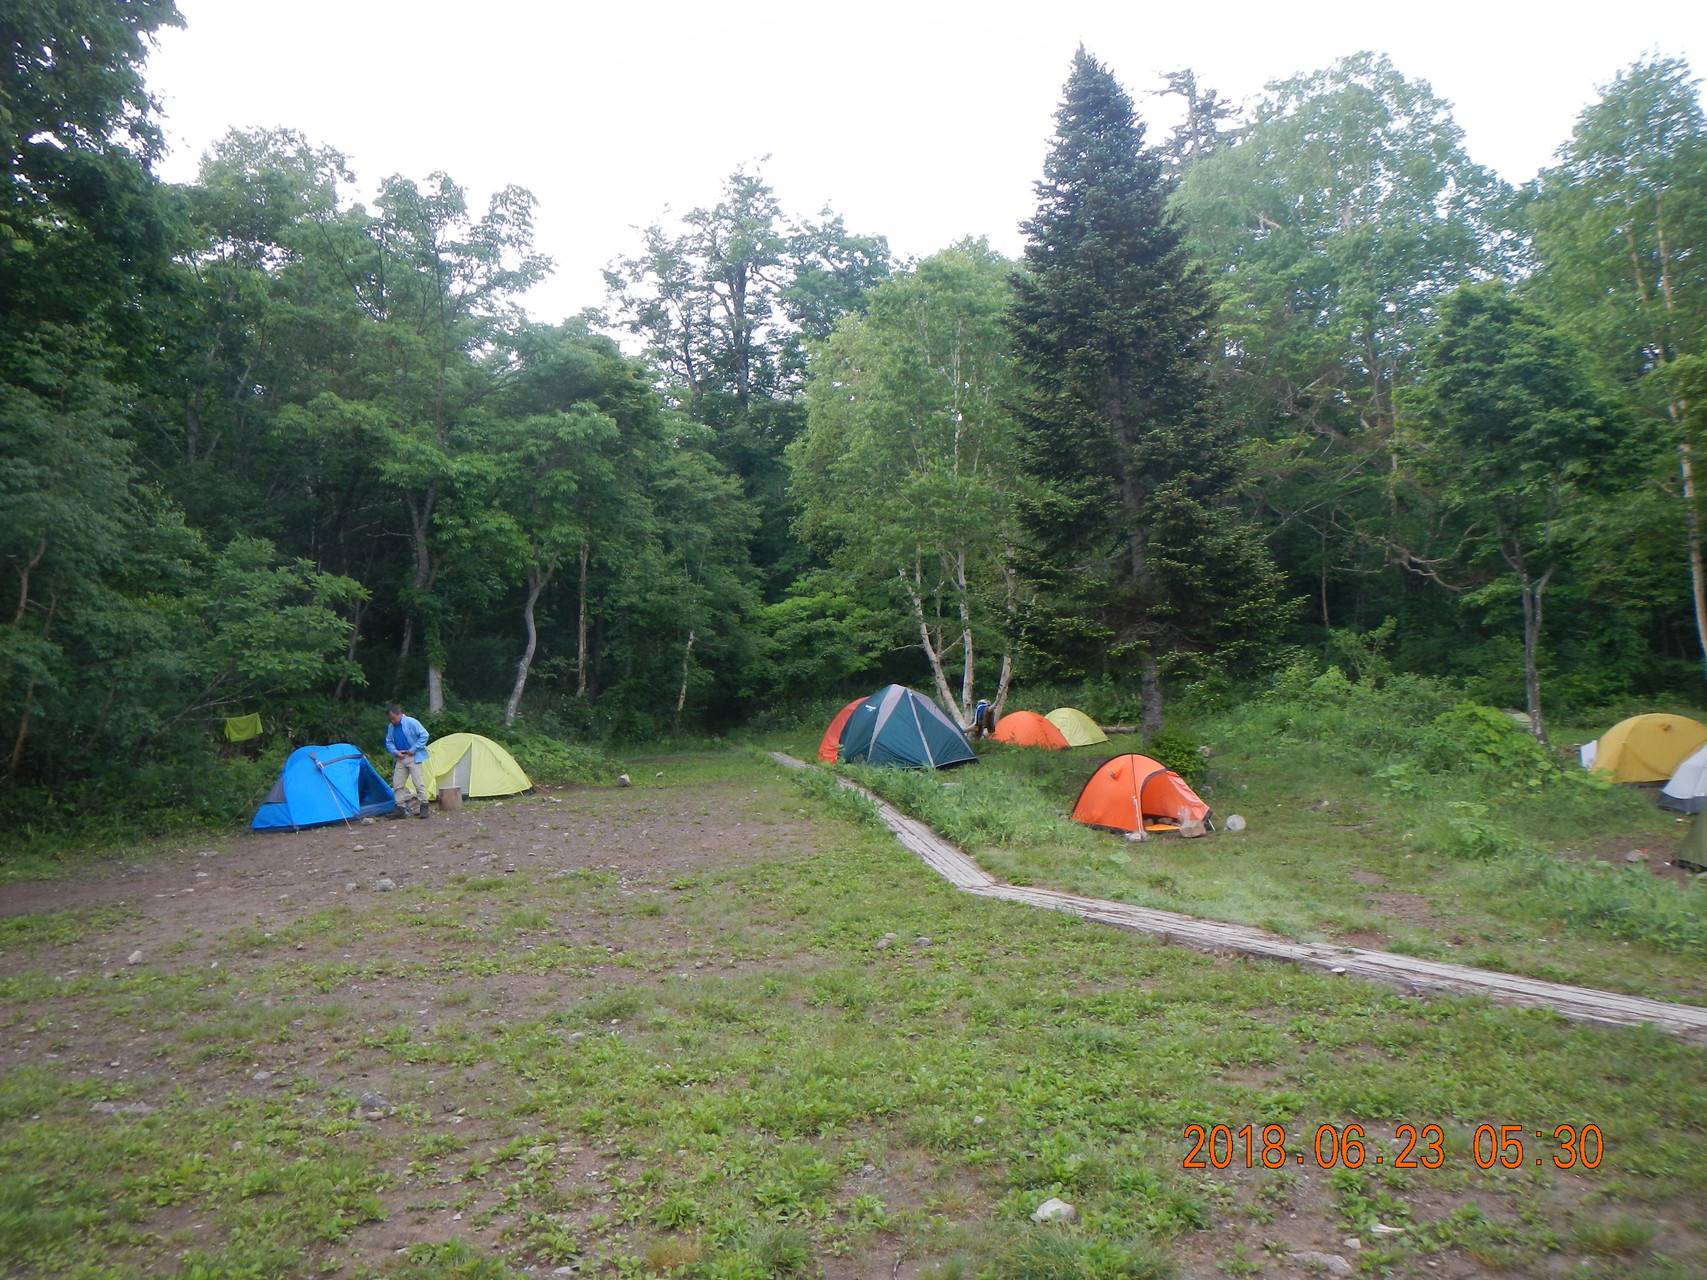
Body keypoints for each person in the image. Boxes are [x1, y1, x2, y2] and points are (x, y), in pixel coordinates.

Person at [384, 704, 431, 819]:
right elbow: (388, 741)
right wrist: (395, 752)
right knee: (397, 783)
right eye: (390, 719)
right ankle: (400, 808)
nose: (392, 721)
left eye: (394, 718)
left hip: (413, 756)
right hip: (401, 757)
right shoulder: (391, 727)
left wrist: (414, 749)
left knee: (418, 782)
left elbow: (424, 735)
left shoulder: (411, 722)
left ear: (399, 714)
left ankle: (423, 806)